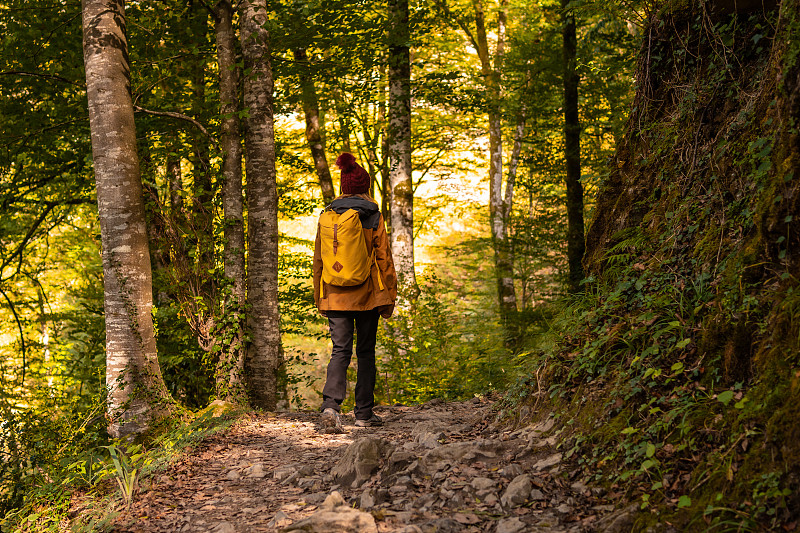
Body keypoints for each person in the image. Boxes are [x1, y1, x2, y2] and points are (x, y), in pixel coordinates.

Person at [312, 153, 397, 432]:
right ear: (365, 187)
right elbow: (384, 258)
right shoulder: (372, 214)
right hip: (367, 295)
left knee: (340, 351)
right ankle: (363, 413)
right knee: (366, 353)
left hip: (335, 293)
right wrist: (390, 297)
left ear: (343, 186)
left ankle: (330, 407)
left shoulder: (328, 215)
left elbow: (319, 260)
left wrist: (320, 297)